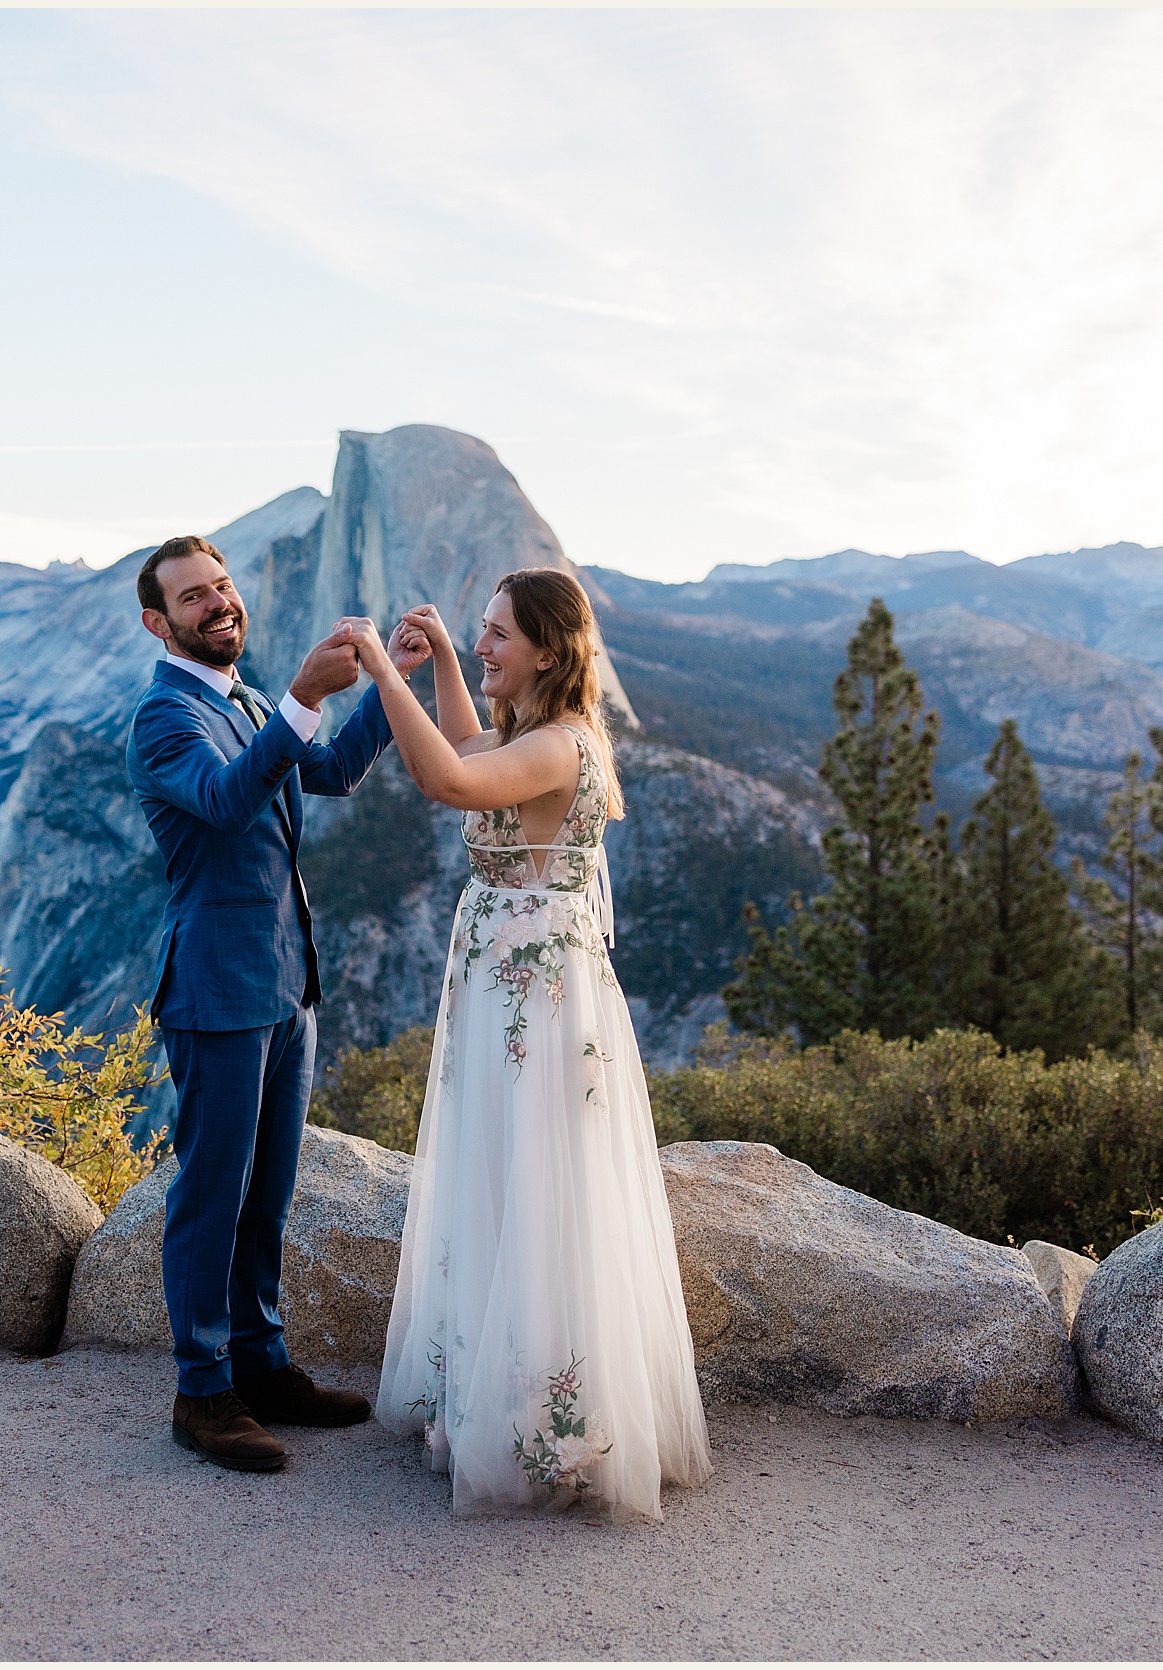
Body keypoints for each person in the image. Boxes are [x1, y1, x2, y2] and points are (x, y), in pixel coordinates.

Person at [341, 568, 712, 1524]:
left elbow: (450, 779)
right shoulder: (538, 736)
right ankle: (505, 1403)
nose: (486, 645)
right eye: (482, 630)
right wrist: (442, 675)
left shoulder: (559, 746)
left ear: (549, 649)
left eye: (500, 635)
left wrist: (383, 667)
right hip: (512, 995)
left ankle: (540, 1428)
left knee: (536, 1187)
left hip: (535, 1013)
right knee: (507, 1182)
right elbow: (473, 747)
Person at [125, 533, 426, 1473]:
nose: (219, 605)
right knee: (212, 1195)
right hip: (217, 990)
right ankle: (202, 1392)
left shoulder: (245, 699)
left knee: (269, 1193)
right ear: (157, 622)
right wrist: (303, 692)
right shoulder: (163, 721)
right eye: (193, 598)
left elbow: (327, 770)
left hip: (287, 986)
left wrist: (389, 682)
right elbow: (222, 800)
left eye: (222, 587)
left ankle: (261, 1363)